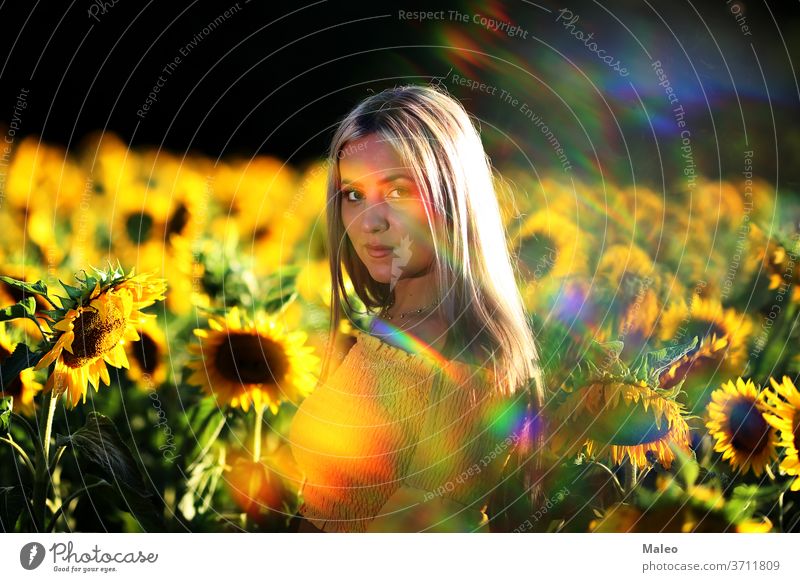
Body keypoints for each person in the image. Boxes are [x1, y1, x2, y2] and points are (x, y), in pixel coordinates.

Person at [288, 84, 546, 533]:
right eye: (353, 195)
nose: (370, 222)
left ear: (452, 199)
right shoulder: (386, 325)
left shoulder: (464, 364)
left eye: (397, 192)